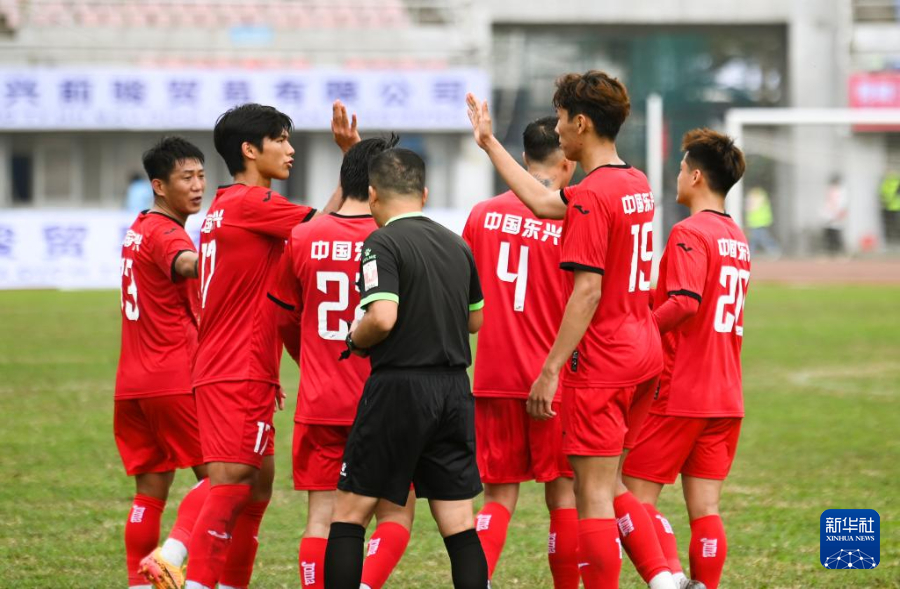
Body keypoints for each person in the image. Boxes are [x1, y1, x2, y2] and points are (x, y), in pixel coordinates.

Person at [467, 71, 678, 589]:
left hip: (603, 361)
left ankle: (658, 578)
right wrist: (489, 143)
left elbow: (587, 292)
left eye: (561, 119)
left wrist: (550, 370)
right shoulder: (635, 182)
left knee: (593, 496)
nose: (557, 129)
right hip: (644, 350)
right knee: (606, 485)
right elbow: (543, 204)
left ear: (581, 123)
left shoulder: (589, 196)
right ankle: (663, 578)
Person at [183, 103, 344, 589]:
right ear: (250, 150)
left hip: (232, 365)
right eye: (280, 139)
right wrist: (351, 163)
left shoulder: (225, 205)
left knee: (256, 490)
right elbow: (324, 231)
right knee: (233, 485)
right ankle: (185, 570)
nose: (290, 149)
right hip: (238, 367)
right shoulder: (253, 203)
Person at [324, 148, 488, 589]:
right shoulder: (457, 244)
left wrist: (354, 339)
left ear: (373, 195)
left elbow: (382, 318)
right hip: (454, 390)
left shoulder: (382, 243)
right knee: (459, 521)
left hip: (399, 389)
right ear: (424, 193)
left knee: (350, 512)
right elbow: (475, 319)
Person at [268, 135, 416, 589]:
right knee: (395, 514)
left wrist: (313, 360)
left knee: (321, 518)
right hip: (383, 400)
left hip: (320, 399)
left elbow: (283, 317)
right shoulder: (396, 239)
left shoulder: (304, 236)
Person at [622, 129, 750, 589]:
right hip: (725, 394)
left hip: (680, 391)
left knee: (634, 495)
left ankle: (671, 577)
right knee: (706, 508)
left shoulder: (689, 232)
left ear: (696, 177)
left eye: (680, 169)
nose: (676, 177)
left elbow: (685, 302)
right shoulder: (736, 237)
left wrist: (638, 332)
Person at [462, 115, 581, 587]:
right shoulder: (572, 215)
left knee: (497, 498)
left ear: (524, 156)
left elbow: (464, 297)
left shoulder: (481, 215)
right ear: (567, 161)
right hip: (553, 377)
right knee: (565, 497)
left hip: (494, 376)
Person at [114, 136, 210, 589]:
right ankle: (171, 557)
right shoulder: (167, 232)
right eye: (186, 178)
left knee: (149, 495)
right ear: (158, 185)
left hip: (132, 383)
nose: (197, 186)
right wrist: (232, 256)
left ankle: (138, 584)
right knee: (226, 477)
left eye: (201, 176)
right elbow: (187, 263)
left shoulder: (138, 227)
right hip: (173, 377)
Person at [745, 186, 779, 256]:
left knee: (761, 238)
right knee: (756, 238)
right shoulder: (758, 195)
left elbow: (753, 207)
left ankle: (773, 249)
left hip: (760, 222)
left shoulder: (759, 196)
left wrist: (749, 204)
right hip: (755, 222)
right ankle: (750, 253)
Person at [821, 174, 847, 255]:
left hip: (836, 214)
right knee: (829, 232)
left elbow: (842, 203)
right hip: (829, 214)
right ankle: (829, 250)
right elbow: (827, 202)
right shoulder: (829, 190)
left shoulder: (841, 191)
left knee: (837, 233)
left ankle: (838, 250)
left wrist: (840, 213)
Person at [879, 170, 900, 245]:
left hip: (892, 207)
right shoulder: (887, 182)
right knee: (892, 225)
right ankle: (892, 239)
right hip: (891, 207)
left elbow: (882, 193)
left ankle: (894, 239)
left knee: (893, 225)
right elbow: (882, 192)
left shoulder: (887, 182)